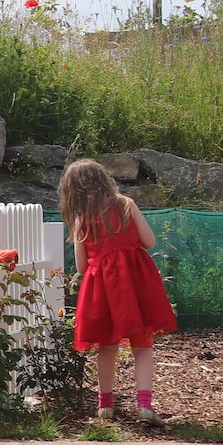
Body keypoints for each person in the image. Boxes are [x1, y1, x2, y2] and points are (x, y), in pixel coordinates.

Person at [60, 159, 177, 421]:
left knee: (107, 346)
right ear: (103, 179)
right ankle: (145, 405)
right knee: (143, 345)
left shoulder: (82, 220)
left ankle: (105, 405)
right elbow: (149, 241)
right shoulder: (126, 205)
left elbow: (81, 266)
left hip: (103, 289)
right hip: (136, 284)